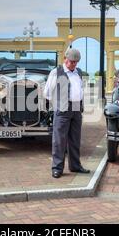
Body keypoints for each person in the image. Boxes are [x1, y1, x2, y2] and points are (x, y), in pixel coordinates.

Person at [44, 48, 90, 178]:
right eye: (71, 61)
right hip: (63, 108)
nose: (74, 64)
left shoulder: (79, 72)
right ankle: (57, 168)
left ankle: (75, 166)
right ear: (65, 59)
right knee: (59, 140)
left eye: (76, 62)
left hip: (76, 108)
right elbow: (47, 92)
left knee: (75, 139)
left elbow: (80, 90)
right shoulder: (56, 72)